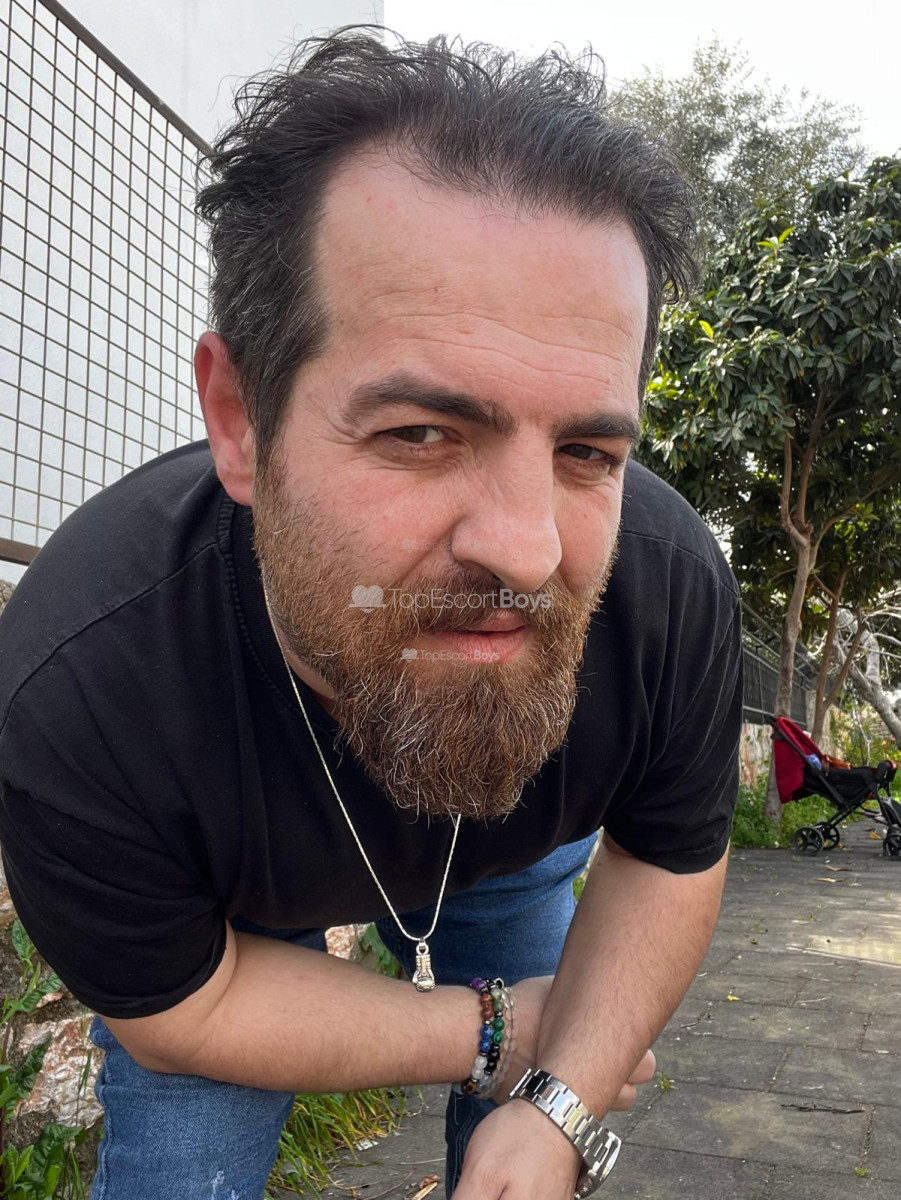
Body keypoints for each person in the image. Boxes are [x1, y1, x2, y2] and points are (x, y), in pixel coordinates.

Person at [0, 28, 741, 1200]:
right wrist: (495, 1032)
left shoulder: (666, 590)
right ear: (239, 420)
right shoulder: (87, 680)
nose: (528, 549)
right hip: (239, 917)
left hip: (512, 857)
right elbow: (186, 1010)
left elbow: (667, 859)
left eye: (586, 451)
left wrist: (554, 1109)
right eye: (420, 432)